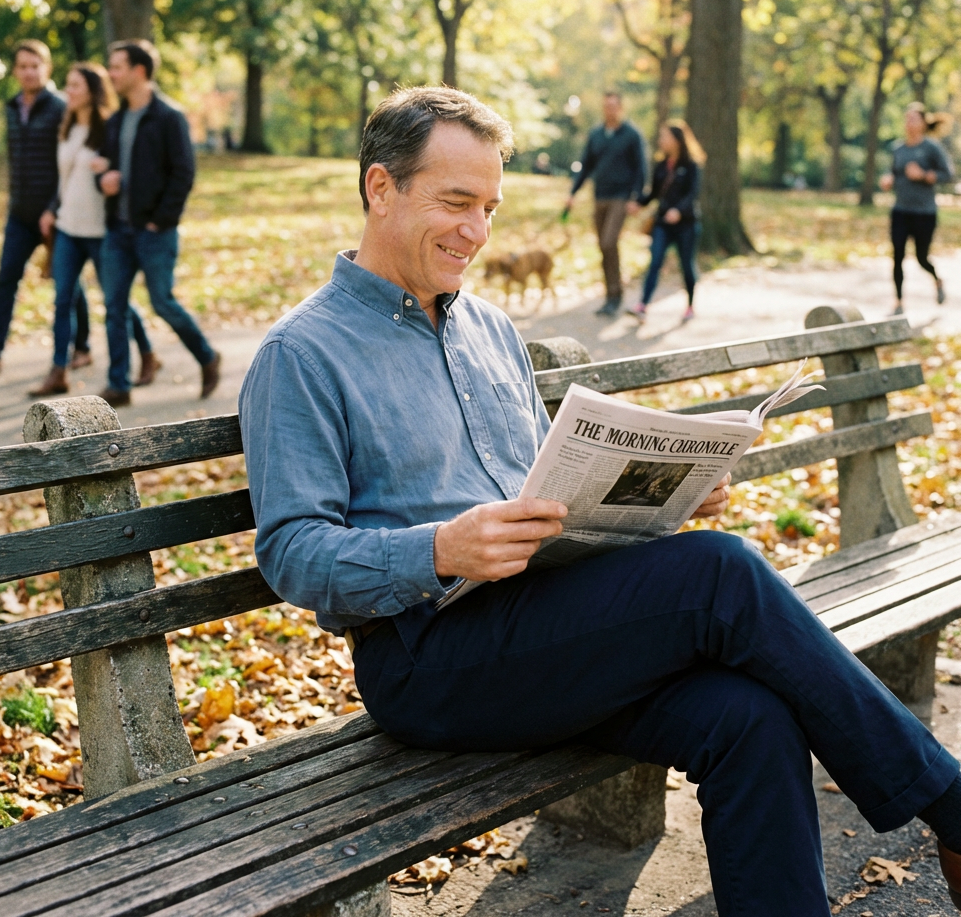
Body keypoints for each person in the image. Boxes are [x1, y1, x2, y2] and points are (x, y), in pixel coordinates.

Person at [240, 86, 961, 917]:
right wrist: (439, 549)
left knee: (749, 717)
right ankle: (949, 804)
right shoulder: (303, 353)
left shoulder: (489, 331)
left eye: (491, 209)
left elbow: (547, 491)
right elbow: (291, 553)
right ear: (380, 189)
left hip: (546, 625)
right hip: (427, 658)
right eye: (456, 203)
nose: (476, 233)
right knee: (719, 574)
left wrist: (660, 498)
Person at [95, 40, 220, 406]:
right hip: (117, 229)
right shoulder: (116, 120)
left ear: (139, 71)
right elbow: (105, 168)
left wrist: (159, 221)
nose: (111, 74)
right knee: (114, 306)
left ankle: (207, 357)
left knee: (162, 302)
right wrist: (102, 182)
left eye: (117, 67)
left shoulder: (169, 117)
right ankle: (119, 385)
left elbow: (184, 173)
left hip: (154, 232)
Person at [0, 41, 92, 376]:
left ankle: (82, 346)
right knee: (6, 279)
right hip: (20, 213)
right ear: (15, 71)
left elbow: (70, 164)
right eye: (23, 66)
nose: (29, 72)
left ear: (47, 68)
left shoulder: (62, 106)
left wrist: (55, 208)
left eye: (35, 65)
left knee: (67, 283)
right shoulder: (12, 106)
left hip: (54, 214)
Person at [28, 63, 158, 397]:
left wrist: (109, 172)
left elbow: (124, 171)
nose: (67, 91)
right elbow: (64, 178)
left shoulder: (109, 128)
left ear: (92, 91)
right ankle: (58, 371)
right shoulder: (68, 125)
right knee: (62, 299)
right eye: (68, 85)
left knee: (117, 302)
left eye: (75, 86)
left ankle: (146, 351)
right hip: (69, 228)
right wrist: (51, 210)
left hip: (102, 231)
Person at [564, 92, 646, 316]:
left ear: (620, 108)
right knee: (602, 245)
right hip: (600, 196)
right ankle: (609, 296)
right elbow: (586, 166)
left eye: (613, 106)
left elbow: (640, 167)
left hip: (621, 197)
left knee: (609, 242)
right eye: (606, 106)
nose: (610, 110)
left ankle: (616, 294)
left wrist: (637, 198)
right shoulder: (596, 134)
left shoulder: (631, 135)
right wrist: (573, 193)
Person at [879, 102, 954, 314]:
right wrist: (888, 180)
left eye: (914, 118)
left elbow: (947, 174)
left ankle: (937, 280)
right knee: (898, 256)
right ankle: (899, 301)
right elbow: (893, 172)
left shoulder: (931, 148)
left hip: (924, 213)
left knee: (922, 257)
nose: (909, 122)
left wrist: (924, 175)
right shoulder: (898, 148)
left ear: (923, 122)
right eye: (907, 118)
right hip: (901, 210)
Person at [627, 120, 705, 322]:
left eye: (665, 137)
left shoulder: (691, 166)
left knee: (687, 265)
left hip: (686, 224)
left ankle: (690, 305)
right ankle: (643, 305)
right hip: (662, 223)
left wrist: (678, 211)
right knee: (655, 261)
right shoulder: (661, 166)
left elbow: (693, 194)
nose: (661, 140)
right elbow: (653, 192)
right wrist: (638, 204)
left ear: (677, 140)